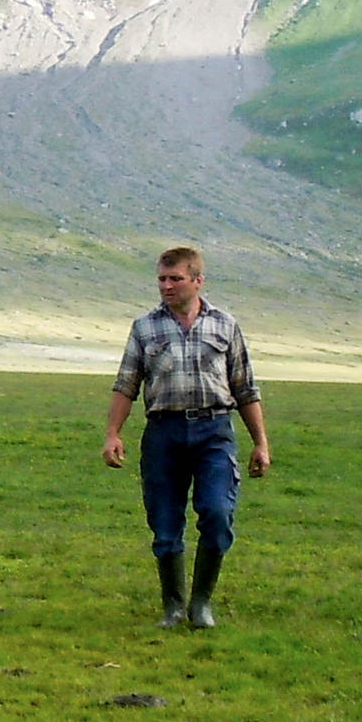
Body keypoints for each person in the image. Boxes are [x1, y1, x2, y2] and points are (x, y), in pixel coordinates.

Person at [100, 247, 270, 629]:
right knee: (164, 521)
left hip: (214, 432)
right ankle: (174, 606)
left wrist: (260, 442)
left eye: (175, 278)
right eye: (161, 279)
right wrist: (113, 434)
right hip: (164, 432)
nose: (166, 286)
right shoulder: (145, 328)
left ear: (197, 280)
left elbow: (245, 387)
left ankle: (202, 603)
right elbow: (126, 384)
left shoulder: (224, 325)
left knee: (216, 511)